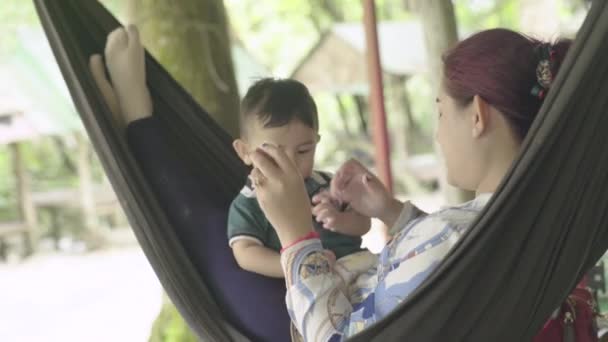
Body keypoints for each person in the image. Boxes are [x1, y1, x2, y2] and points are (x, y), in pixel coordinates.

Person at [246, 28, 573, 340]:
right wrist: (391, 212)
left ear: (477, 116)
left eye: (441, 112)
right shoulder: (551, 220)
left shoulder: (447, 235)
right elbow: (455, 262)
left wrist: (296, 236)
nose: (438, 135)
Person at [227, 77, 369, 278]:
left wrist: (340, 220)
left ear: (316, 142)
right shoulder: (248, 203)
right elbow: (245, 253)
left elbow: (364, 225)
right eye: (274, 153)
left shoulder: (328, 185)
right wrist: (301, 266)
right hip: (312, 287)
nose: (290, 163)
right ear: (245, 152)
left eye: (303, 151)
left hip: (361, 267)